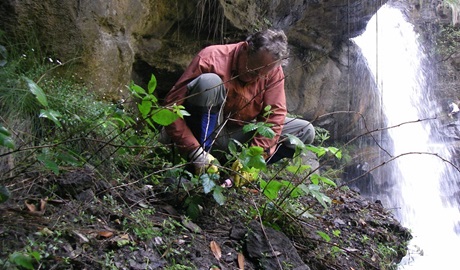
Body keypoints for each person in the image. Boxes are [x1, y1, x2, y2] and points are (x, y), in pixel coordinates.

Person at [162, 29, 315, 175]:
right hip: (203, 133)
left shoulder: (272, 71)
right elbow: (170, 107)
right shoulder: (212, 57)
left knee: (305, 130)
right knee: (208, 82)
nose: (256, 78)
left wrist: (253, 157)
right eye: (253, 71)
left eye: (263, 75)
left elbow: (275, 116)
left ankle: (236, 172)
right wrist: (194, 150)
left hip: (238, 135)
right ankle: (197, 162)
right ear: (245, 48)